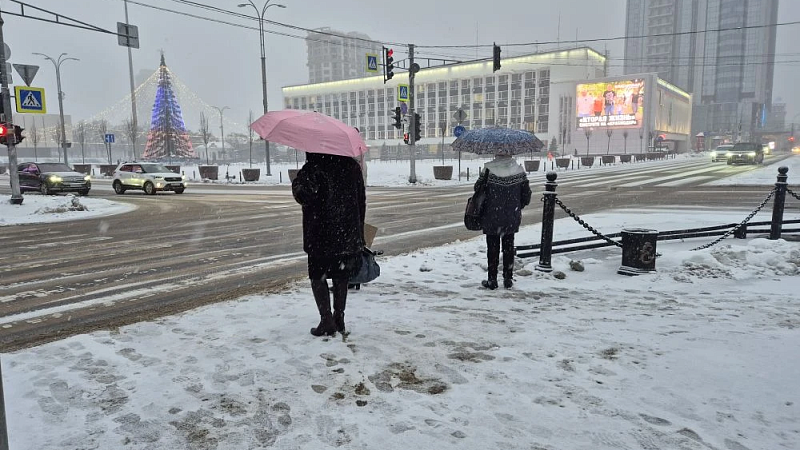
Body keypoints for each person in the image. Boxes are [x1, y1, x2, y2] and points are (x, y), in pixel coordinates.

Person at [292, 152, 366, 336]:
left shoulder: (314, 167)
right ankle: (339, 317)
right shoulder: (351, 166)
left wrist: (298, 180)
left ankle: (326, 320)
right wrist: (358, 230)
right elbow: (361, 200)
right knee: (341, 275)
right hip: (346, 233)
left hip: (320, 233)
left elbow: (302, 195)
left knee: (318, 275)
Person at [475, 153, 532, 289]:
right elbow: (526, 195)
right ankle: (507, 279)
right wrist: (516, 206)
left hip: (491, 215)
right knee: (508, 247)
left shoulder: (488, 169)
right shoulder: (518, 170)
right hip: (511, 215)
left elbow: (478, 189)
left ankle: (492, 280)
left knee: (492, 248)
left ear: (496, 154)